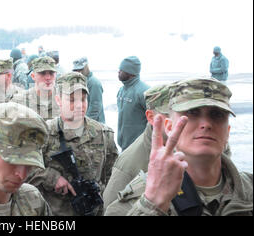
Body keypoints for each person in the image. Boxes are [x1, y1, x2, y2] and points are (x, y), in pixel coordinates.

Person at [105, 78, 253, 216]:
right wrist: (152, 205)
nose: (206, 124)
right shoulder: (137, 198)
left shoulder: (248, 192)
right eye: (192, 113)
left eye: (217, 114)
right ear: (169, 127)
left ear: (227, 132)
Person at [26, 72, 118, 216]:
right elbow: (24, 171)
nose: (79, 105)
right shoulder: (44, 134)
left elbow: (113, 178)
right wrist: (52, 178)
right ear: (58, 100)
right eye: (71, 100)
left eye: (83, 99)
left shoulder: (104, 135)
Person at [103, 83, 172, 211]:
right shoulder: (129, 163)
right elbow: (110, 208)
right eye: (169, 115)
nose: (177, 119)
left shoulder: (185, 146)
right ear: (151, 117)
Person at [116, 56, 150, 151]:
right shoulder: (121, 91)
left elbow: (154, 121)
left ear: (130, 72)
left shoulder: (145, 92)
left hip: (139, 148)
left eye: (121, 69)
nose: (118, 72)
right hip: (124, 146)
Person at [11, 56, 60, 121]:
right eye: (42, 73)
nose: (48, 77)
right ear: (33, 76)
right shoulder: (20, 101)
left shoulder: (65, 99)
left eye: (51, 73)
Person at [72, 57, 105, 124]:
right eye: (76, 70)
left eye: (80, 69)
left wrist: (84, 123)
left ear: (86, 67)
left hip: (95, 125)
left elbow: (95, 107)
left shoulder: (94, 83)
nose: (78, 72)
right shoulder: (80, 81)